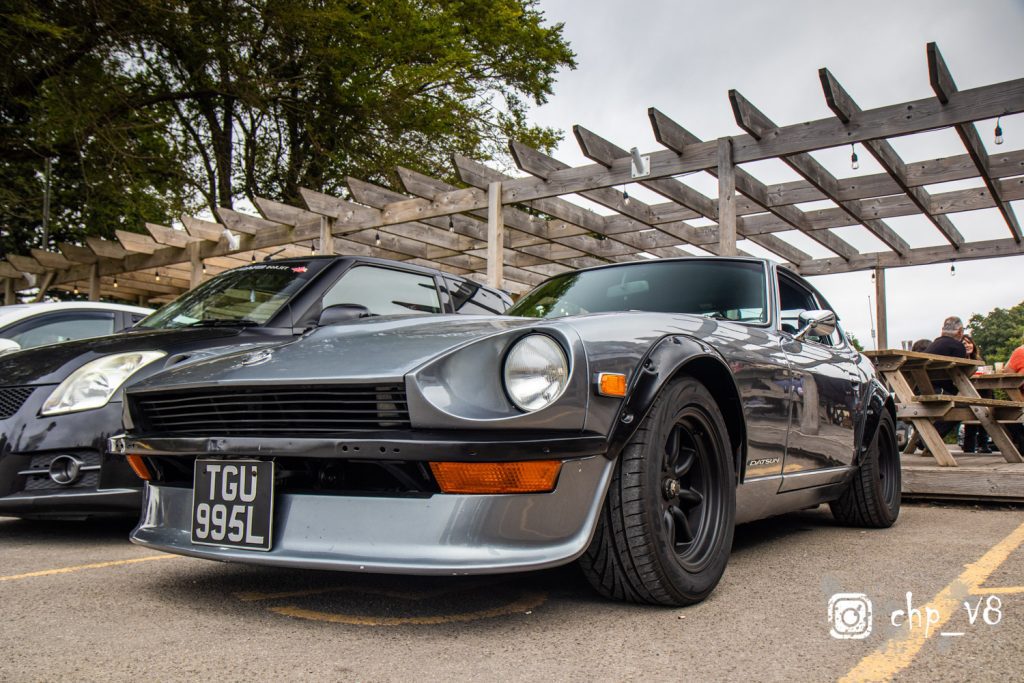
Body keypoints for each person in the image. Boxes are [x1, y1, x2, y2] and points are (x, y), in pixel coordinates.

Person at [922, 316, 967, 444]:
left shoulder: (933, 345)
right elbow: (960, 375)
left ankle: (926, 439)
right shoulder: (957, 346)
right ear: (960, 331)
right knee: (966, 405)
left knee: (960, 402)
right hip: (937, 392)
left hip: (920, 389)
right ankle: (929, 439)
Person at [961, 334, 992, 453]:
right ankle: (974, 444)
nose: (967, 345)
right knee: (978, 404)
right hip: (965, 392)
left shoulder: (978, 360)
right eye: (964, 343)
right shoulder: (959, 360)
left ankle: (983, 443)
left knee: (987, 396)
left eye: (969, 343)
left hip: (980, 391)